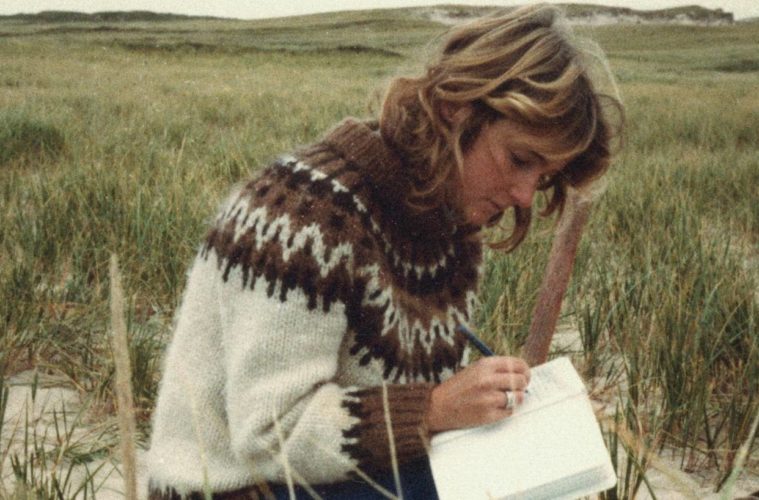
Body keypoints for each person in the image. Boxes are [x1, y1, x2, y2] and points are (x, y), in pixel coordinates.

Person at [146, 4, 623, 499]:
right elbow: (271, 435)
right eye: (519, 159)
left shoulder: (450, 230)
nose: (525, 196)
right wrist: (434, 409)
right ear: (455, 109)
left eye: (543, 177)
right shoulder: (303, 215)